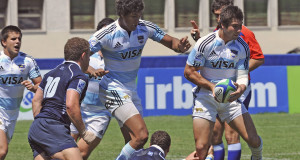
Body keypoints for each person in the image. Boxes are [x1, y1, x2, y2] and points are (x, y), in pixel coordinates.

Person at [88, 0, 191, 159]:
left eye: (139, 16)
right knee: (142, 135)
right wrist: (91, 69)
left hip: (131, 90)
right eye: (133, 17)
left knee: (133, 142)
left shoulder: (145, 27)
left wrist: (181, 46)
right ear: (122, 15)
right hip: (112, 88)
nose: (137, 20)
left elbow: (171, 42)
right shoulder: (106, 34)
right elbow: (78, 56)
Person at [184, 5, 263, 160]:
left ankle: (257, 157)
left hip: (231, 99)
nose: (239, 30)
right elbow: (189, 72)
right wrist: (212, 86)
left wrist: (240, 89)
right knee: (201, 148)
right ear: (223, 25)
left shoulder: (242, 47)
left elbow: (242, 75)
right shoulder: (205, 43)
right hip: (206, 98)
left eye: (240, 26)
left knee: (253, 140)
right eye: (235, 26)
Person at [28, 37, 94, 160]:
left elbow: (36, 101)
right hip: (54, 126)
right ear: (83, 56)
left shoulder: (50, 73)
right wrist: (83, 132)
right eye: (89, 56)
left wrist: (41, 123)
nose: (89, 60)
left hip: (36, 128)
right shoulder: (78, 76)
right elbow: (71, 105)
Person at [70, 18, 114, 160]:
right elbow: (76, 65)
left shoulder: (118, 59)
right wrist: (92, 70)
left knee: (81, 154)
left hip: (100, 114)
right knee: (65, 151)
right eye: (104, 32)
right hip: (79, 109)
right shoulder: (87, 55)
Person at [0, 25, 42, 159]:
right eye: (13, 39)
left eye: (19, 39)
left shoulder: (28, 61)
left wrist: (33, 87)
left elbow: (41, 85)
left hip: (12, 114)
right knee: (2, 150)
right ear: (3, 42)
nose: (17, 41)